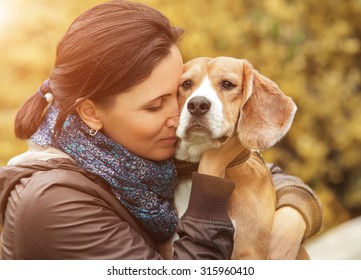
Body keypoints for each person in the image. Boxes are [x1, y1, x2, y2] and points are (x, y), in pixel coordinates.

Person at [0, 0, 322, 260]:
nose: (177, 116)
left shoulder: (134, 155)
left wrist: (294, 214)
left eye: (177, 95)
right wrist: (210, 172)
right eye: (155, 105)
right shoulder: (53, 204)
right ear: (91, 113)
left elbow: (260, 170)